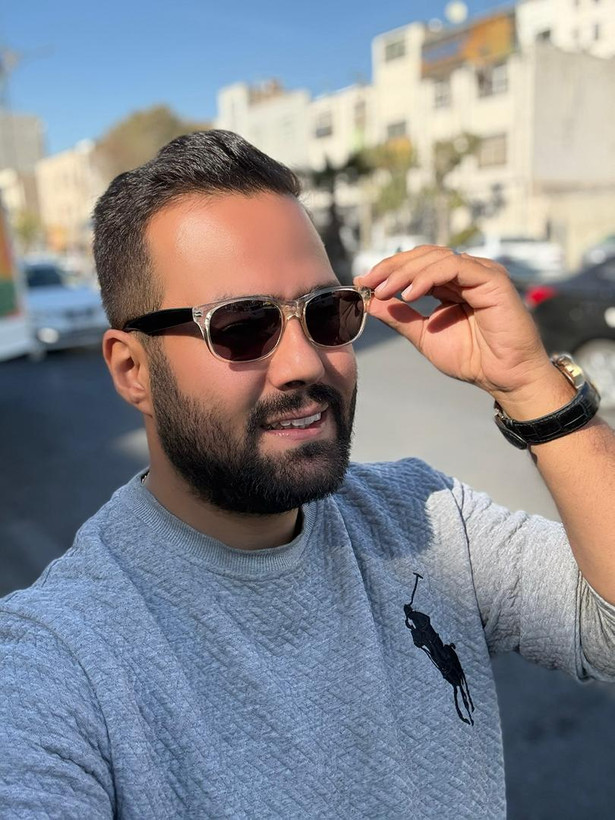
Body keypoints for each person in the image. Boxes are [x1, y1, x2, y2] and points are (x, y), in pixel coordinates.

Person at [1, 130, 614, 819]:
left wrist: (531, 387)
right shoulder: (57, 662)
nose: (305, 363)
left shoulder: (425, 518)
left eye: (327, 313)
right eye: (241, 326)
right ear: (132, 369)